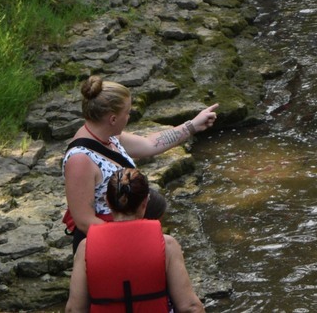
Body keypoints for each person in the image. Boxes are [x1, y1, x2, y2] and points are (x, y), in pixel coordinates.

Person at [61, 76, 215, 250]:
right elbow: (84, 221)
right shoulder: (80, 160)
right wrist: (136, 239)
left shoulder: (109, 136)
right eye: (127, 112)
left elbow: (150, 144)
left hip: (125, 234)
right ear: (112, 119)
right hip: (108, 246)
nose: (129, 116)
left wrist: (192, 126)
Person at [66, 168, 208, 313]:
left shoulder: (86, 247)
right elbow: (190, 307)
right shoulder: (167, 245)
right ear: (145, 202)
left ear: (107, 202)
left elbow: (75, 309)